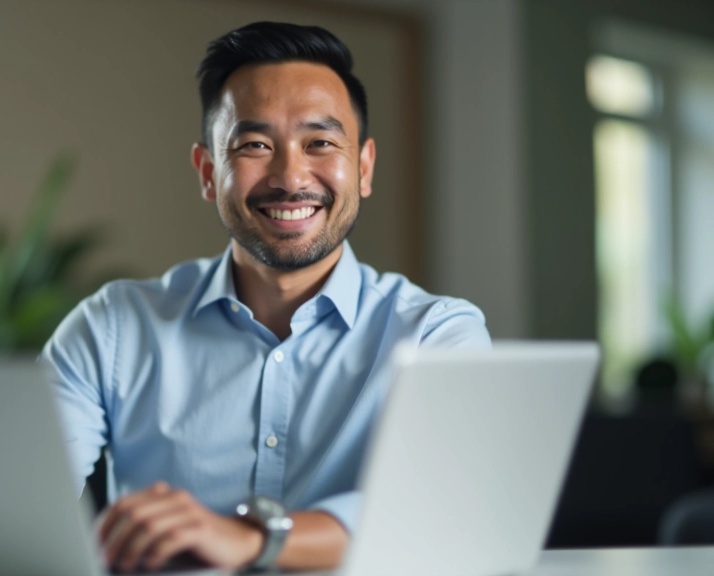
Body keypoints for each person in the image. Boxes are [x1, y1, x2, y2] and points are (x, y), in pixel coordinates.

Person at [41, 21, 490, 573]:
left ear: (365, 167)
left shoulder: (437, 334)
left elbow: (445, 512)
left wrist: (248, 538)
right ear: (208, 172)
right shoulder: (113, 327)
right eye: (254, 145)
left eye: (320, 143)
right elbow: (17, 493)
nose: (290, 175)